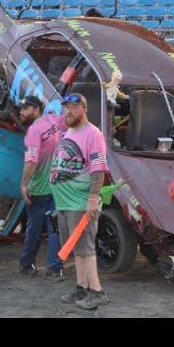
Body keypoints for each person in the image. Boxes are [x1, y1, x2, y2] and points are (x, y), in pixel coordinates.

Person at [50, 93, 110, 310]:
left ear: (84, 109)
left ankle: (97, 291)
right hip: (65, 203)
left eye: (74, 107)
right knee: (76, 249)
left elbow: (98, 169)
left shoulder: (93, 134)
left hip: (80, 202)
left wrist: (93, 198)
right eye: (66, 107)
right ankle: (81, 287)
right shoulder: (69, 132)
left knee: (85, 248)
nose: (69, 111)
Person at [18, 95, 67, 280]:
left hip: (37, 189)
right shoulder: (54, 119)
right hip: (57, 185)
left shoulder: (34, 130)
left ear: (36, 109)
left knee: (34, 229)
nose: (21, 113)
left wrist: (23, 185)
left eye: (25, 108)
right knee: (55, 228)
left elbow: (31, 161)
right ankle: (55, 269)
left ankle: (26, 264)